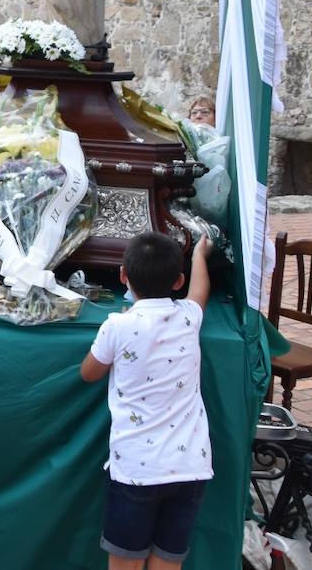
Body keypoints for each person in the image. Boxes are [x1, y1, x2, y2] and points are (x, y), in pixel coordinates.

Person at [80, 232, 213, 570]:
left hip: (136, 470)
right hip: (189, 470)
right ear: (177, 280)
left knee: (125, 564)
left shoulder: (118, 325)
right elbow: (199, 293)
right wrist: (199, 253)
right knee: (168, 564)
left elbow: (89, 373)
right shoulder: (188, 316)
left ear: (123, 275)